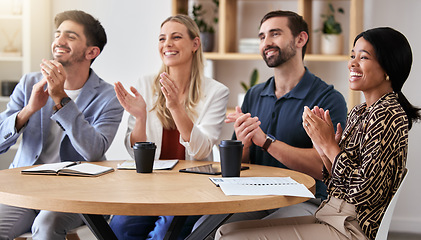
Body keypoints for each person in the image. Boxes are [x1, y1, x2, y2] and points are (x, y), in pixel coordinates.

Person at [215, 26, 420, 240]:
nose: (352, 63)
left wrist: (330, 147)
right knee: (225, 231)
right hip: (331, 212)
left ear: (388, 67)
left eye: (364, 57)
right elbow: (337, 183)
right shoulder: (361, 111)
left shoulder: (387, 114)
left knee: (231, 238)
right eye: (352, 56)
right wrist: (323, 147)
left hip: (353, 227)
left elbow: (363, 192)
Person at [193, 10, 347, 233]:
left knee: (242, 234)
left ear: (301, 39)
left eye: (275, 34)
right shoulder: (254, 95)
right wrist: (245, 144)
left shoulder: (327, 99)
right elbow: (241, 165)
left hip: (305, 200)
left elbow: (323, 168)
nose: (267, 42)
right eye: (262, 37)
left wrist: (266, 142)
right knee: (203, 228)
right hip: (255, 197)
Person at [0, 10, 124, 239]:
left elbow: (94, 150)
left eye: (70, 36)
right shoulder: (30, 83)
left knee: (47, 225)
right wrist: (29, 110)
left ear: (91, 52)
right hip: (25, 189)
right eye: (57, 34)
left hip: (77, 193)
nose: (59, 41)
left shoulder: (109, 97)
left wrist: (61, 100)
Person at [109, 14, 229, 240]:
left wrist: (175, 107)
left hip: (191, 188)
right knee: (119, 228)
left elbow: (201, 150)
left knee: (163, 234)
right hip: (150, 186)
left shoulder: (216, 92)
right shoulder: (145, 84)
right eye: (162, 38)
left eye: (176, 37)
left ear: (195, 44)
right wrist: (140, 117)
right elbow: (134, 152)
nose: (167, 44)